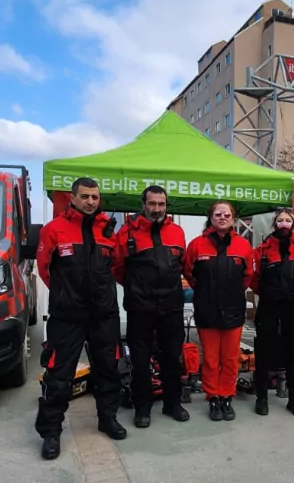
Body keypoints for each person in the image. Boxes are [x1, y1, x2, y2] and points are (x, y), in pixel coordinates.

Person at [34, 177, 127, 460]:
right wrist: (66, 297)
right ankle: (51, 432)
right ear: (72, 199)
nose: (90, 202)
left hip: (103, 315)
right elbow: (45, 269)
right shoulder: (54, 230)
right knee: (59, 375)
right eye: (85, 196)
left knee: (108, 369)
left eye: (95, 197)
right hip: (67, 317)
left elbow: (117, 268)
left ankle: (107, 418)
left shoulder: (108, 232)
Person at [112, 185, 190, 428]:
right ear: (143, 205)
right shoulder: (126, 233)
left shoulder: (177, 232)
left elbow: (183, 265)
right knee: (140, 360)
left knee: (172, 359)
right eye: (152, 204)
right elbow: (117, 268)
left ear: (167, 206)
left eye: (161, 204)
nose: (157, 209)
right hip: (140, 308)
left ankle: (172, 404)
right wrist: (137, 288)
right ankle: (142, 407)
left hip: (171, 307)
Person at [183, 201, 253, 421]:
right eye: (218, 214)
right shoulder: (196, 245)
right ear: (210, 217)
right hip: (207, 310)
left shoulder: (243, 245)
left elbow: (247, 276)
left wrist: (230, 292)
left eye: (227, 214)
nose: (222, 217)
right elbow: (189, 273)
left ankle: (227, 396)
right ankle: (213, 398)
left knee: (231, 358)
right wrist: (205, 293)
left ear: (233, 219)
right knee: (212, 359)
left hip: (233, 309)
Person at [250, 208, 294, 417]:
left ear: (293, 225)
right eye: (280, 220)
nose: (284, 223)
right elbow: (252, 277)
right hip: (268, 306)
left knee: (291, 354)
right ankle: (262, 398)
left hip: (292, 307)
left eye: (288, 220)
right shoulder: (262, 250)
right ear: (274, 224)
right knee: (263, 353)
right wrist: (267, 293)